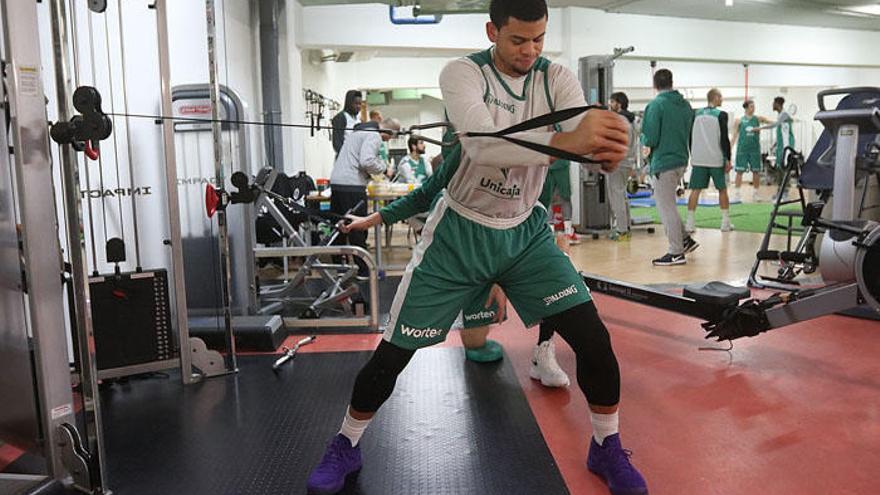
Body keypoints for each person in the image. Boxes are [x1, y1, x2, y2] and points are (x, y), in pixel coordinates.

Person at [307, 3, 647, 495]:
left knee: (593, 339)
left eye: (539, 39)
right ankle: (346, 442)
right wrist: (573, 142)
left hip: (525, 235)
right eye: (518, 41)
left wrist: (607, 150)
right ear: (493, 31)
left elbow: (585, 144)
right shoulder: (463, 73)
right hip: (459, 236)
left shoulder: (557, 80)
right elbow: (485, 145)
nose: (530, 51)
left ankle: (606, 446)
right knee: (393, 357)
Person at [329, 117, 400, 276]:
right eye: (391, 137)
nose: (388, 141)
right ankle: (363, 271)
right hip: (352, 185)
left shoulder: (357, 132)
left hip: (337, 182)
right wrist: (383, 167)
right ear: (389, 131)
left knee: (339, 226)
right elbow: (367, 161)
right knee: (358, 227)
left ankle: (341, 268)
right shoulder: (373, 135)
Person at [641, 68, 698, 266]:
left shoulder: (656, 105)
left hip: (663, 162)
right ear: (671, 82)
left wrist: (643, 142)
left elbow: (650, 137)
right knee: (669, 205)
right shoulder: (685, 105)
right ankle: (684, 240)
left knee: (666, 208)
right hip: (681, 159)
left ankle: (676, 252)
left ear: (655, 84)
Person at [686, 88, 734, 233]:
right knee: (722, 189)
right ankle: (725, 222)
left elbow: (690, 137)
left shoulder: (695, 114)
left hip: (698, 158)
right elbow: (724, 139)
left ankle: (689, 223)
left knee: (695, 190)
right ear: (715, 97)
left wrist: (692, 153)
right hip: (716, 158)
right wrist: (728, 158)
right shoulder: (721, 115)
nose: (722, 99)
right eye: (721, 97)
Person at [606, 91, 637, 241]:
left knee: (616, 195)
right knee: (622, 195)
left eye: (612, 102)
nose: (610, 105)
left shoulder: (619, 121)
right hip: (627, 162)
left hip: (617, 162)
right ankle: (626, 227)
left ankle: (621, 231)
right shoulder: (630, 121)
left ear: (618, 103)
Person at [754, 96, 795, 199]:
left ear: (778, 104)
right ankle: (780, 192)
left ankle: (785, 193)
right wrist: (775, 145)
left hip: (787, 147)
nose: (772, 105)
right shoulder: (781, 115)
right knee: (779, 169)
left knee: (785, 170)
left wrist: (759, 127)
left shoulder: (784, 114)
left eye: (773, 103)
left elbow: (774, 125)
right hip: (781, 147)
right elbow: (782, 133)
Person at [731, 99, 771, 200]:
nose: (753, 108)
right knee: (739, 172)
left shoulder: (757, 118)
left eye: (754, 106)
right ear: (746, 108)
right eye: (751, 106)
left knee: (756, 172)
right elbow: (734, 136)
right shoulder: (739, 120)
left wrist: (783, 120)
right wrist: (729, 149)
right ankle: (737, 194)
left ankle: (756, 193)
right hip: (742, 150)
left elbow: (771, 123)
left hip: (755, 150)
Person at [331, 90, 363, 157]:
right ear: (349, 103)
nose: (358, 106)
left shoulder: (357, 119)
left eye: (360, 104)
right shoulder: (341, 117)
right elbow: (337, 143)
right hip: (345, 158)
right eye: (356, 103)